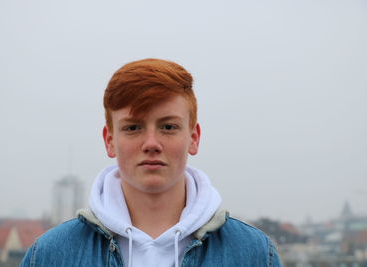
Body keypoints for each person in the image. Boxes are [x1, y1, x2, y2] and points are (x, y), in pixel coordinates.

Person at [20, 58, 282, 267]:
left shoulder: (255, 253)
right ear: (110, 141)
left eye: (168, 126)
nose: (151, 143)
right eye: (133, 127)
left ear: (194, 137)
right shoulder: (47, 256)